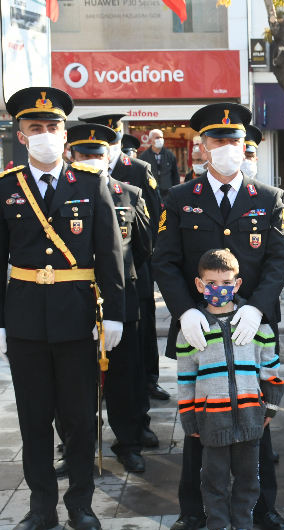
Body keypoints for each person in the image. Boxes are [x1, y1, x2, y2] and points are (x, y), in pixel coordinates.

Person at [0, 87, 125, 530]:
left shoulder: (90, 183)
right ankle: (41, 508)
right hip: (24, 320)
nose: (45, 134)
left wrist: (116, 313)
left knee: (81, 421)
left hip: (77, 318)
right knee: (34, 422)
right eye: (35, 128)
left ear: (64, 134)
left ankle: (81, 505)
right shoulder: (6, 188)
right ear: (21, 136)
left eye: (52, 127)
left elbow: (110, 255)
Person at [153, 103, 284, 530]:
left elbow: (279, 258)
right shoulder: (178, 199)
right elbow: (165, 261)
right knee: (198, 421)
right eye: (219, 140)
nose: (228, 147)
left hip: (253, 327)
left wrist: (257, 306)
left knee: (257, 423)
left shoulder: (269, 198)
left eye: (235, 141)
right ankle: (193, 511)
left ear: (244, 145)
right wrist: (185, 311)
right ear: (203, 146)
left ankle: (263, 508)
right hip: (199, 327)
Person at [177, 248, 284, 530]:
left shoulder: (256, 325)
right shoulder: (192, 330)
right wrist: (189, 417)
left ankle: (243, 524)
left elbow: (270, 366)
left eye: (227, 283)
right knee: (213, 480)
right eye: (212, 283)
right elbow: (185, 379)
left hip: (250, 418)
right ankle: (219, 525)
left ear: (237, 284)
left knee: (249, 480)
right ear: (200, 285)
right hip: (212, 420)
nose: (219, 289)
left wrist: (271, 404)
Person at [66, 123, 153, 472]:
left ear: (109, 156)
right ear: (70, 156)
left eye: (97, 154)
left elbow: (144, 247)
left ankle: (129, 443)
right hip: (73, 300)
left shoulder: (128, 193)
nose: (91, 160)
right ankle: (75, 446)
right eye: (83, 154)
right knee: (73, 381)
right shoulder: (59, 194)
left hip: (122, 301)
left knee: (124, 379)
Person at [79, 113, 167, 405]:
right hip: (82, 286)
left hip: (132, 277)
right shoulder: (70, 185)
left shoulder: (137, 172)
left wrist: (129, 267)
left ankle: (144, 392)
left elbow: (149, 229)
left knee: (135, 351)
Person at [139, 128, 180, 195]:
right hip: (151, 194)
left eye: (161, 137)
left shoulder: (169, 155)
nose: (160, 140)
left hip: (168, 194)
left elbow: (175, 174)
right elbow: (140, 176)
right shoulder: (144, 156)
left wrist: (175, 190)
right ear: (151, 141)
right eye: (157, 138)